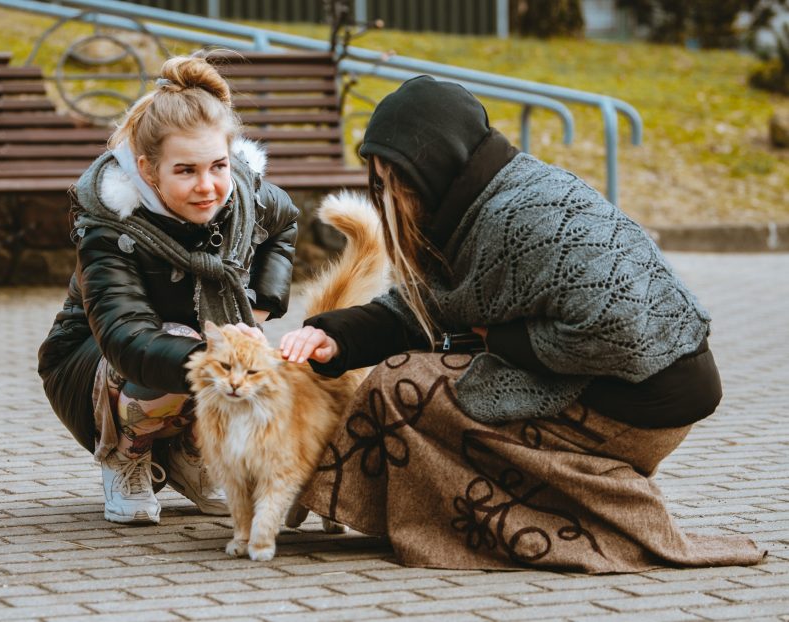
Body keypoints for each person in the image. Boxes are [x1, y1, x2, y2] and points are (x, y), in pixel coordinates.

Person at [279, 75, 764, 572]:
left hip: (645, 400)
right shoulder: (490, 198)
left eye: (396, 181)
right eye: (379, 180)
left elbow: (619, 333)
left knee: (405, 381)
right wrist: (333, 335)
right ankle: (458, 511)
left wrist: (502, 340)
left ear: (436, 166)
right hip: (639, 384)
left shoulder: (518, 218)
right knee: (423, 371)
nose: (388, 196)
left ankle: (535, 521)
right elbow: (422, 309)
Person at [38, 55, 298, 525]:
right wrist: (221, 357)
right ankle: (126, 455)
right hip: (96, 368)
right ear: (148, 169)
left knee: (232, 347)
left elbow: (285, 223)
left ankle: (191, 458)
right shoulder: (109, 226)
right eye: (186, 171)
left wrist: (258, 311)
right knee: (190, 339)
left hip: (187, 352)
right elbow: (125, 338)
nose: (208, 186)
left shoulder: (245, 193)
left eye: (218, 165)